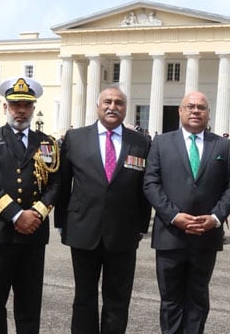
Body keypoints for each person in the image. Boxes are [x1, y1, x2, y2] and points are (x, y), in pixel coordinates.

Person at [143, 91, 230, 334]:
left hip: (205, 236)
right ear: (180, 111)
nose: (196, 111)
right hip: (170, 235)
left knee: (198, 298)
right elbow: (151, 183)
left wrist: (216, 217)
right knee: (170, 300)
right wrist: (174, 216)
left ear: (208, 113)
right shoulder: (161, 143)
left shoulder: (222, 145)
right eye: (190, 106)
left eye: (201, 107)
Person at [56, 86, 151, 334]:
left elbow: (144, 189)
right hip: (83, 229)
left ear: (125, 109)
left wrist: (141, 227)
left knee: (118, 300)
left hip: (123, 233)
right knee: (84, 298)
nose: (112, 107)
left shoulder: (140, 142)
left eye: (119, 103)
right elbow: (64, 183)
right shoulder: (75, 138)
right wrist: (61, 223)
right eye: (107, 102)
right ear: (97, 106)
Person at [0, 77, 60, 334]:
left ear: (33, 108)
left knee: (30, 304)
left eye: (26, 105)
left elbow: (55, 183)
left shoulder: (47, 142)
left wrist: (37, 214)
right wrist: (17, 215)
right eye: (15, 104)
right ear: (5, 107)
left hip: (33, 235)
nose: (21, 110)